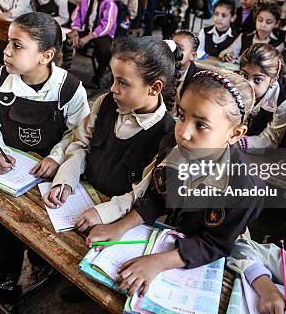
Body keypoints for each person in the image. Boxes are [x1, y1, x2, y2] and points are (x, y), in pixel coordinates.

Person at [86, 68, 264, 296]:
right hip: (167, 232)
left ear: (235, 133)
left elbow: (215, 244)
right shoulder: (172, 148)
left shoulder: (244, 188)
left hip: (203, 256)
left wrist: (158, 262)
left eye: (201, 125)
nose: (183, 132)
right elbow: (156, 199)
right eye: (181, 116)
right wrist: (119, 227)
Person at [0, 12, 90, 304]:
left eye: (17, 45)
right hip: (9, 174)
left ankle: (41, 263)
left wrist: (55, 157)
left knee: (45, 230)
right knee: (3, 227)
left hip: (48, 178)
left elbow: (79, 134)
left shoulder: (70, 89)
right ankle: (5, 276)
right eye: (8, 43)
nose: (7, 51)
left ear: (46, 55)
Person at [44, 36, 180, 230]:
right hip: (79, 196)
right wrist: (66, 179)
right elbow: (81, 144)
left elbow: (141, 193)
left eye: (123, 83)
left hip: (115, 220)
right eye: (114, 79)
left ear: (155, 88)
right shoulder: (105, 103)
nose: (113, 89)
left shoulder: (167, 135)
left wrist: (103, 213)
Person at [238, 43, 286, 151]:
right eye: (245, 76)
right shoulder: (238, 83)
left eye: (257, 79)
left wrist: (235, 143)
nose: (248, 84)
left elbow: (270, 141)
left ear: (273, 79)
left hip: (270, 155)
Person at [69, 0, 117, 88]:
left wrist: (88, 38)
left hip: (102, 34)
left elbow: (106, 25)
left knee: (105, 50)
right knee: (67, 40)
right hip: (86, 28)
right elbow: (77, 15)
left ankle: (98, 76)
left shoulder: (110, 3)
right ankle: (65, 70)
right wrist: (75, 31)